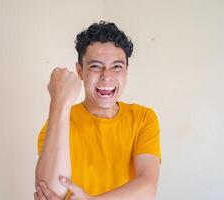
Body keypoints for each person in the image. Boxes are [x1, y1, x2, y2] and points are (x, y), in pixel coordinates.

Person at [34, 20, 161, 200]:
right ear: (80, 71)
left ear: (126, 71)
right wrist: (59, 100)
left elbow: (147, 188)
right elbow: (49, 192)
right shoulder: (58, 121)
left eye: (117, 66)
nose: (106, 76)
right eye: (95, 66)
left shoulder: (143, 118)